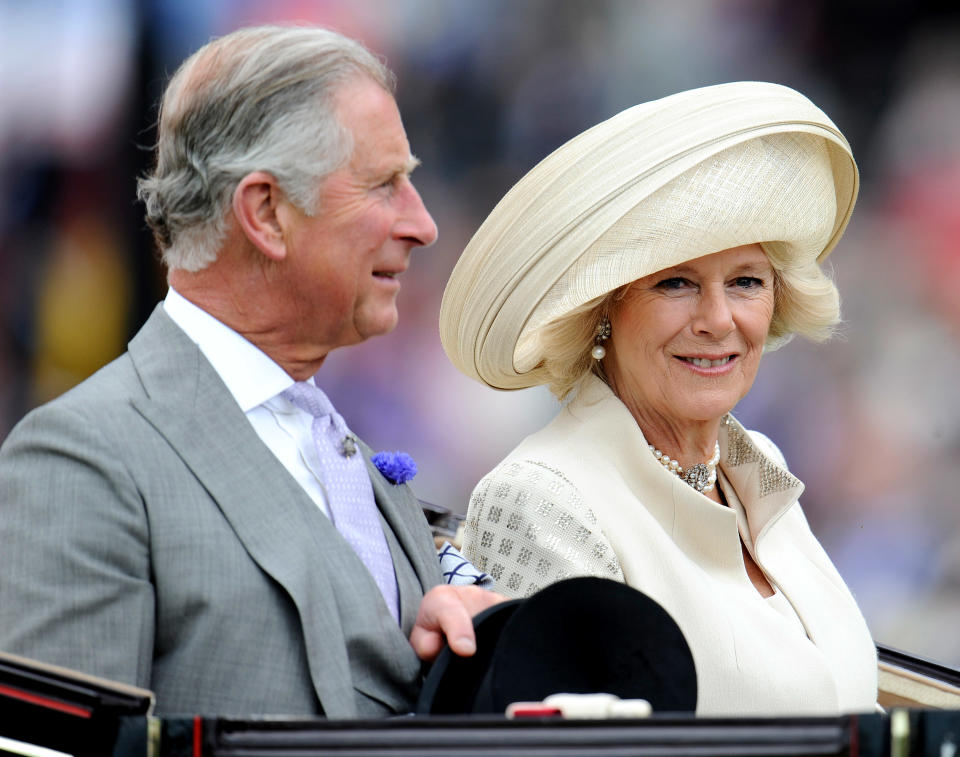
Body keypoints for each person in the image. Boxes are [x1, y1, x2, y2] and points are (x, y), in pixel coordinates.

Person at [0, 24, 502, 718]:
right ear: (266, 212)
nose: (422, 224)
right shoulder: (82, 459)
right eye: (384, 184)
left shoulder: (340, 447)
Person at [440, 82, 877, 715]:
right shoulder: (544, 500)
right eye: (676, 283)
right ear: (603, 311)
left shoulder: (757, 470)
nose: (718, 319)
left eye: (746, 282)